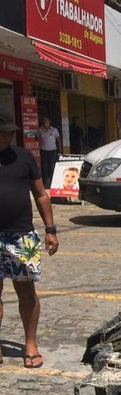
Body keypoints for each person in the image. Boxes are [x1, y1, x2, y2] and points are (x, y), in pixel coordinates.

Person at [0, 109, 59, 369]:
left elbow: (41, 195)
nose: (8, 136)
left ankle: (31, 344)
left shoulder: (24, 158)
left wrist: (51, 229)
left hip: (21, 236)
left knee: (26, 293)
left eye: (10, 131)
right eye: (3, 131)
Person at [38, 116, 60, 190]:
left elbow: (58, 140)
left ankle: (52, 181)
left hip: (52, 150)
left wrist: (60, 149)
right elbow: (38, 139)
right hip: (44, 150)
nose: (45, 122)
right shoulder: (40, 130)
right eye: (44, 121)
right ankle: (44, 182)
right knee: (44, 166)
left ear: (49, 121)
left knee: (52, 166)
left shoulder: (54, 130)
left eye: (46, 121)